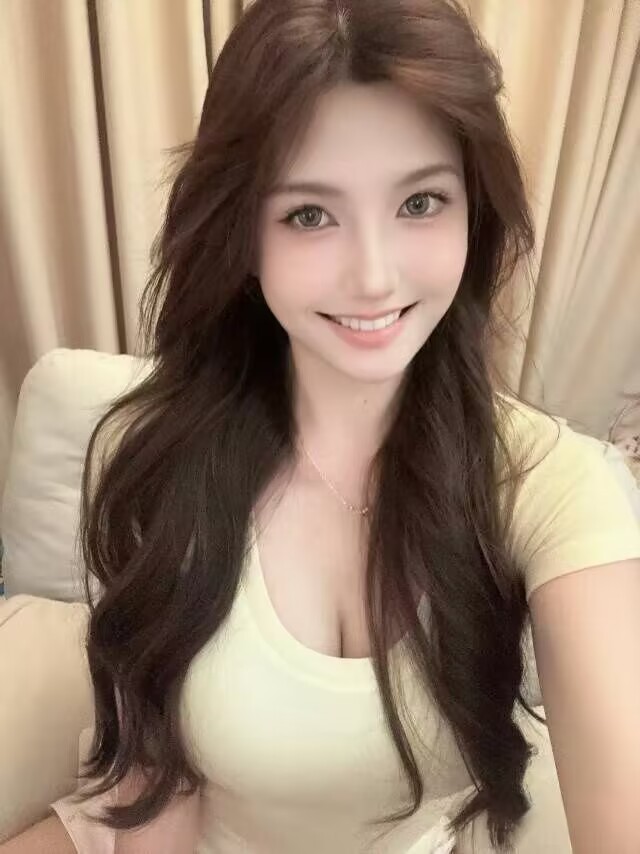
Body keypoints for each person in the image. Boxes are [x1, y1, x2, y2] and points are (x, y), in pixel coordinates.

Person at [4, 0, 640, 852]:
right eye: (310, 214)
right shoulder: (151, 452)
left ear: (474, 211)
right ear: (243, 235)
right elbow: (160, 781)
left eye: (421, 201)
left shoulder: (554, 488)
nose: (374, 277)